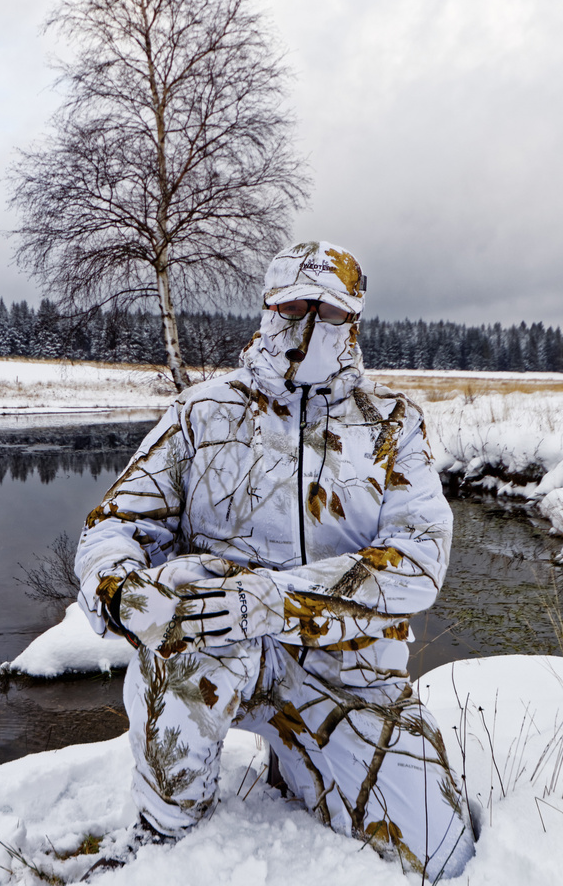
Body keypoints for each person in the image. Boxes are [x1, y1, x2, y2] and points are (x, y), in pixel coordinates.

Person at [76, 241, 475, 879]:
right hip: (215, 650)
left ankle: (302, 761)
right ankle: (165, 833)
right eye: (293, 305)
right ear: (267, 305)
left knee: (438, 851)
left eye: (329, 311)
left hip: (349, 673)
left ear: (355, 320)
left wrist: (281, 602)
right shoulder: (202, 413)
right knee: (189, 626)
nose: (307, 323)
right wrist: (117, 590)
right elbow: (116, 524)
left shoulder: (391, 425)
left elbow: (420, 557)